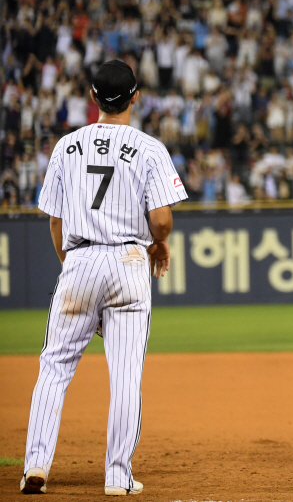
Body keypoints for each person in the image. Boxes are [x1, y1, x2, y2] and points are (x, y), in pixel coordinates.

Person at [20, 60, 188, 496]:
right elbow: (162, 220)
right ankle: (118, 476)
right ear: (136, 97)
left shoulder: (65, 147)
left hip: (78, 261)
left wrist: (71, 266)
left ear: (92, 98)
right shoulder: (149, 148)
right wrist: (159, 243)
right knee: (126, 376)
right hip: (131, 262)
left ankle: (35, 466)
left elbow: (56, 222)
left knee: (53, 368)